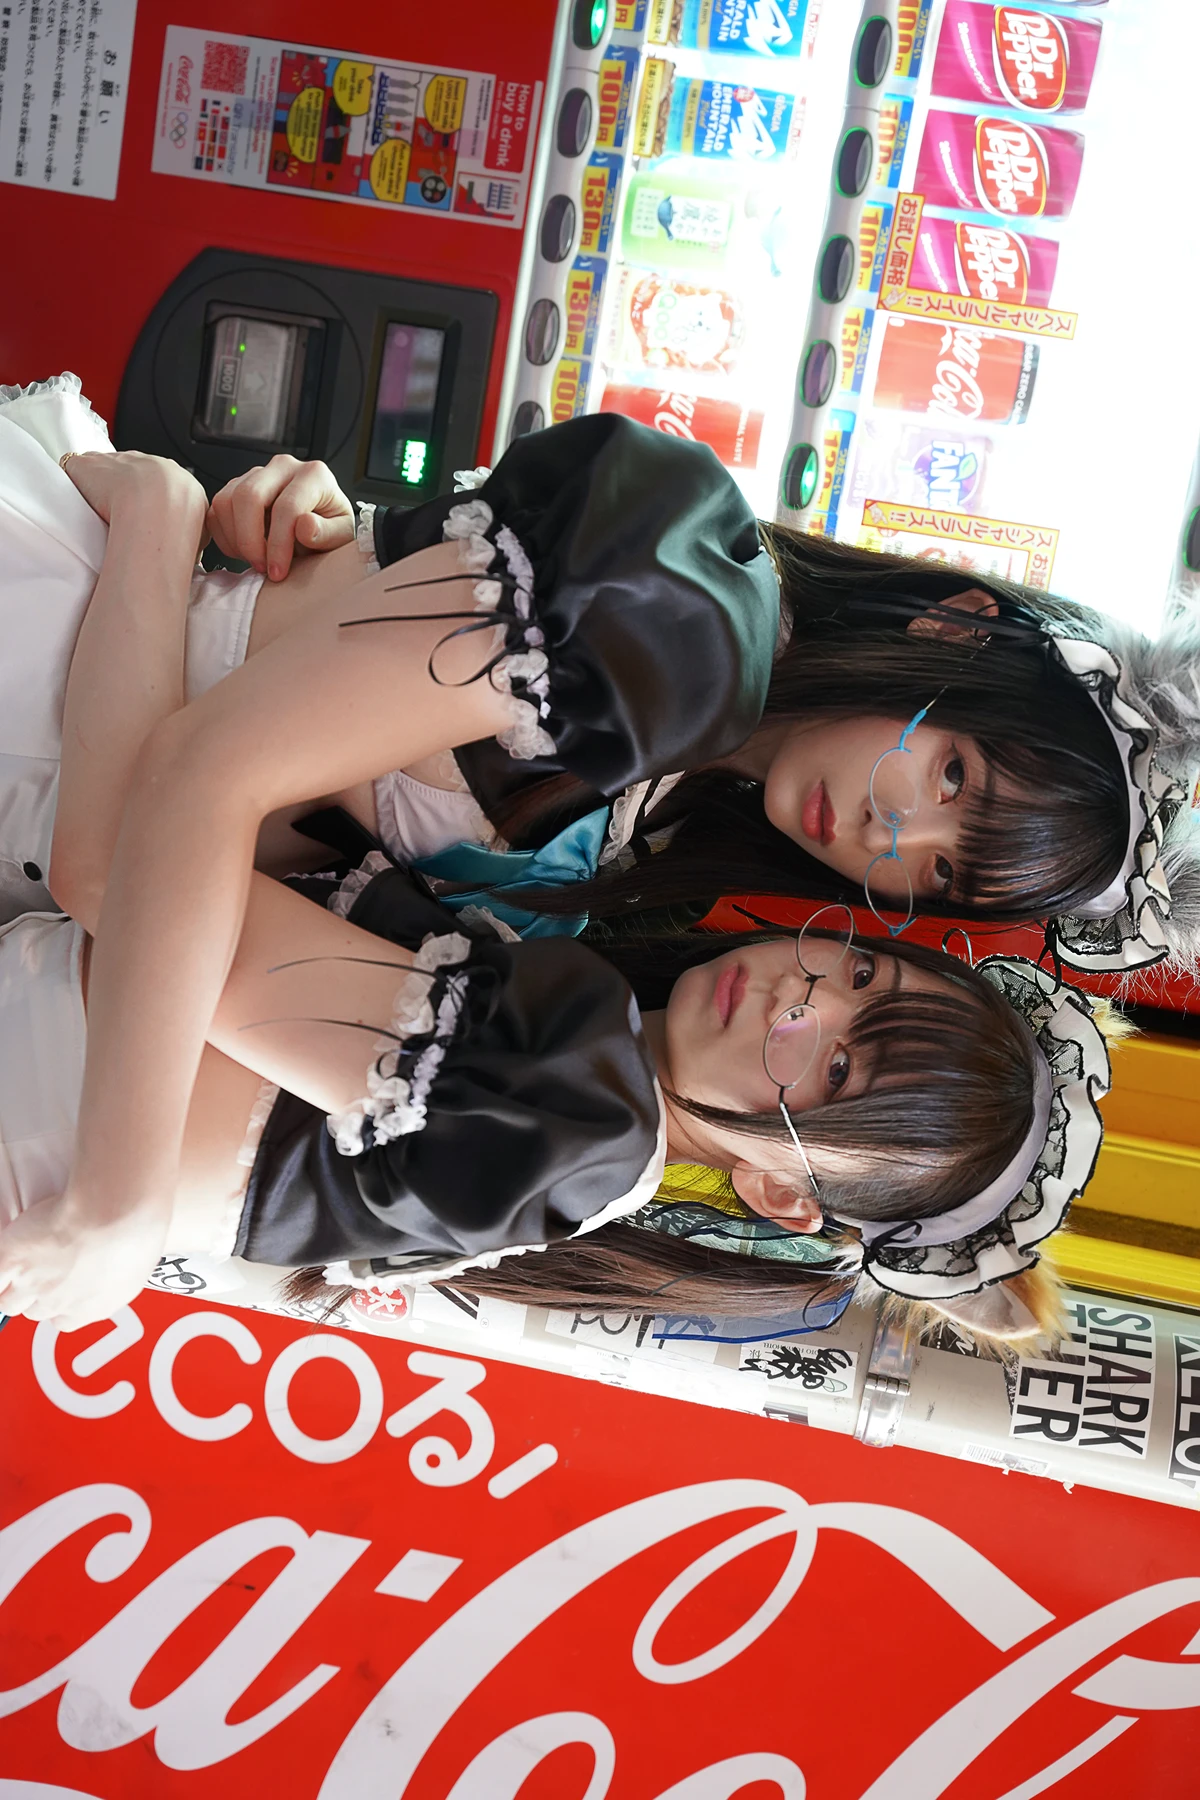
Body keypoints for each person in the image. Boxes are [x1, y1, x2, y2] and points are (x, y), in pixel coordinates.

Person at [0, 838, 1118, 1347]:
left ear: (782, 1195)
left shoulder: (591, 1105)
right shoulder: (595, 1129)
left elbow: (173, 899)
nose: (804, 998)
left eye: (832, 1073)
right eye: (863, 975)